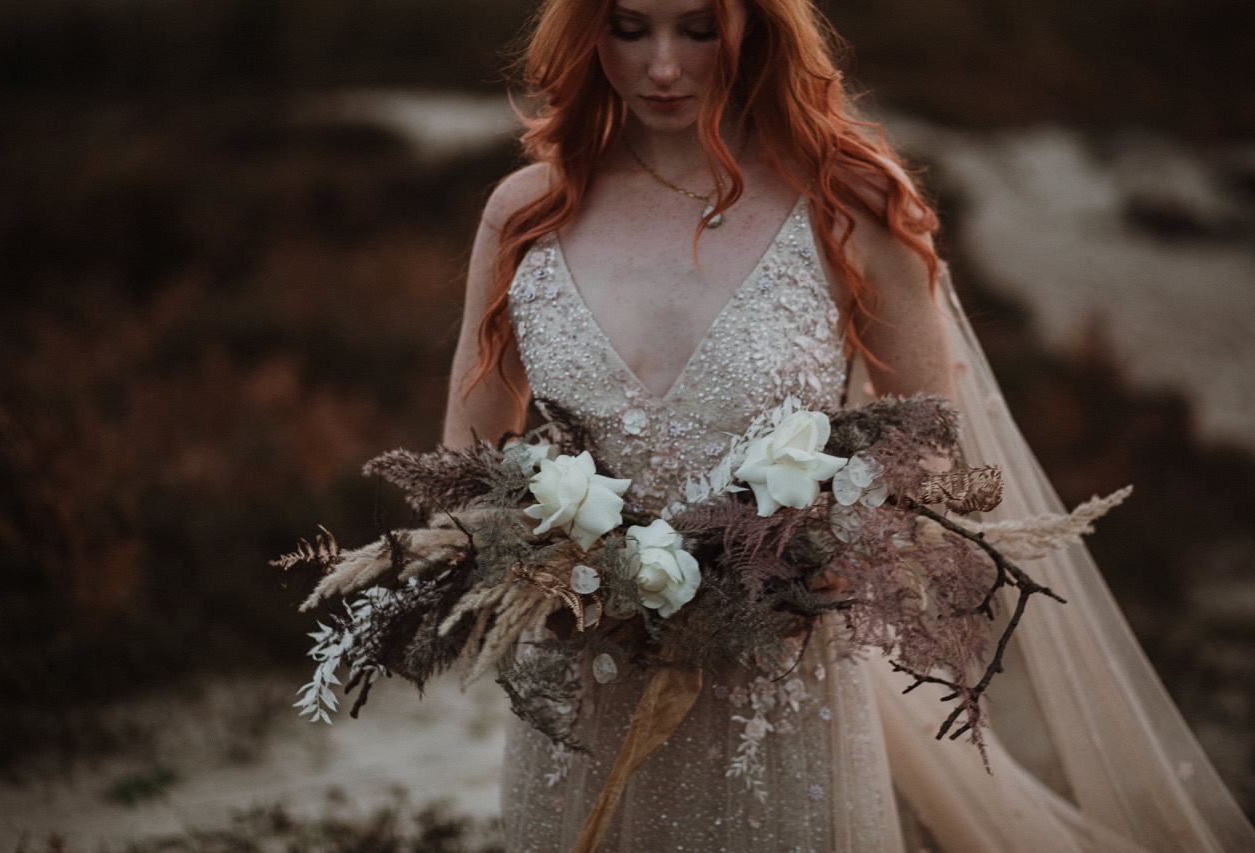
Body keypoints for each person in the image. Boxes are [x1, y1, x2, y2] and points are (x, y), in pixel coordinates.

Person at [441, 0, 1255, 850]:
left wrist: (800, 560)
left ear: (755, 25)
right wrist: (542, 565)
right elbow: (470, 446)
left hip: (777, 682)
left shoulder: (849, 202)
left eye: (698, 28)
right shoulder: (525, 213)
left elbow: (926, 455)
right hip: (579, 681)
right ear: (584, 31)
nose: (665, 68)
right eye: (629, 29)